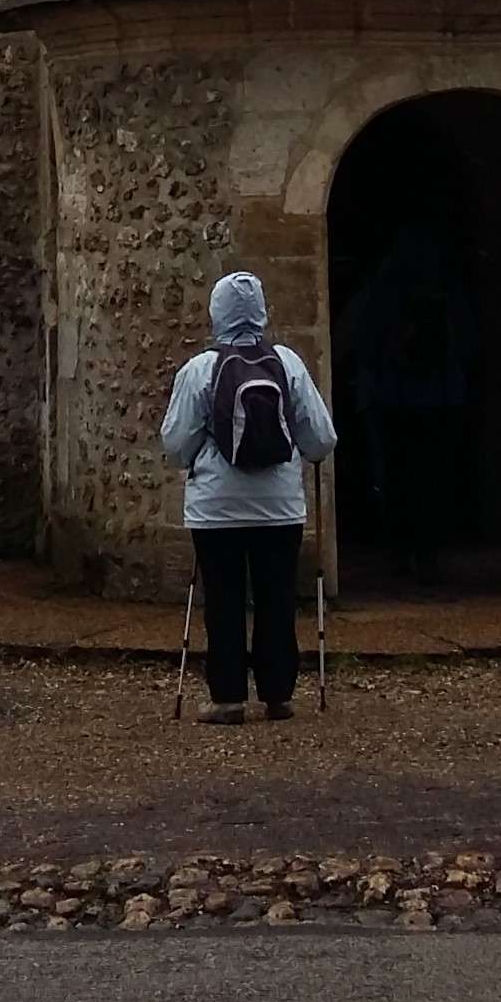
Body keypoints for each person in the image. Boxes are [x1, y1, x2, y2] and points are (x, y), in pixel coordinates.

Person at [161, 273, 335, 724]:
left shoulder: (199, 370)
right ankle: (278, 694)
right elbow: (321, 439)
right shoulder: (287, 363)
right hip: (279, 508)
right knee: (276, 597)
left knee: (224, 599)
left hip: (216, 509)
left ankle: (228, 697)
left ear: (216, 313)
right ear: (261, 312)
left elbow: (177, 446)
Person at [339, 221, 476, 580]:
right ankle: (426, 551)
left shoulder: (379, 289)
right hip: (437, 397)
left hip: (389, 397)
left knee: (394, 477)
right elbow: (467, 340)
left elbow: (350, 338)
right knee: (432, 476)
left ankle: (403, 551)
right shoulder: (445, 288)